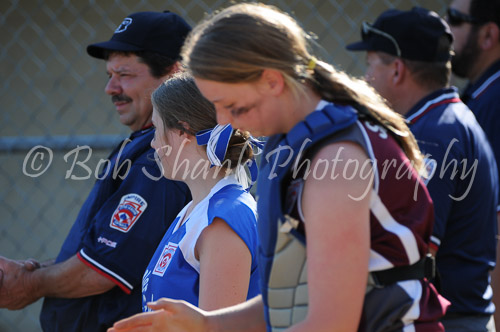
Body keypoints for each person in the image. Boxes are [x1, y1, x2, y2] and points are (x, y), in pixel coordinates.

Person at [108, 3, 449, 332]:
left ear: (271, 81)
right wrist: (207, 324)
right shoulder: (288, 144)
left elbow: (333, 323)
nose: (223, 122)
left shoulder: (335, 160)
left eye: (230, 105)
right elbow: (286, 297)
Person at [0, 11, 192, 331]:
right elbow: (105, 250)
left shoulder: (163, 157)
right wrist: (32, 270)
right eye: (109, 74)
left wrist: (29, 285)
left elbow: (101, 270)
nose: (110, 88)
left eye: (125, 74)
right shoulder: (148, 143)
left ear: (175, 72)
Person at [346, 6, 499, 331]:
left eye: (371, 62)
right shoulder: (449, 119)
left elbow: (410, 250)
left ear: (397, 70)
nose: (364, 77)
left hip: (444, 320)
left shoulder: (432, 136)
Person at [140, 73, 260, 315]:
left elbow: (220, 328)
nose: (153, 143)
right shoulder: (196, 209)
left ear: (184, 133)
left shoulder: (224, 218)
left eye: (156, 128)